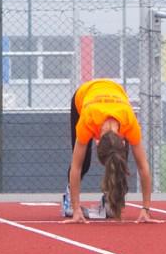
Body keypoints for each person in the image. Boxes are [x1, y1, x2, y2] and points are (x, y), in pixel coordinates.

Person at [63, 79, 155, 224]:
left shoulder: (129, 122)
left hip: (115, 92)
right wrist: (76, 209)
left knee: (119, 159)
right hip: (84, 94)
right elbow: (76, 167)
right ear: (97, 142)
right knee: (84, 161)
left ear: (123, 139)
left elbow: (143, 167)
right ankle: (68, 198)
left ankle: (112, 197)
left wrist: (146, 209)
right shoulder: (88, 121)